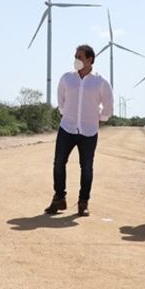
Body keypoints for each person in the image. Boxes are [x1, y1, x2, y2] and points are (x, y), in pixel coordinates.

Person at [44, 44, 114, 218]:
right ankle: (59, 197)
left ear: (90, 59)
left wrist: (100, 118)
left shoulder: (101, 82)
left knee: (87, 167)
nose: (76, 60)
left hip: (89, 131)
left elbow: (108, 105)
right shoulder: (67, 78)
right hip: (67, 127)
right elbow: (60, 99)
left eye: (79, 57)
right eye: (75, 56)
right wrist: (65, 113)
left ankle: (83, 202)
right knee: (59, 163)